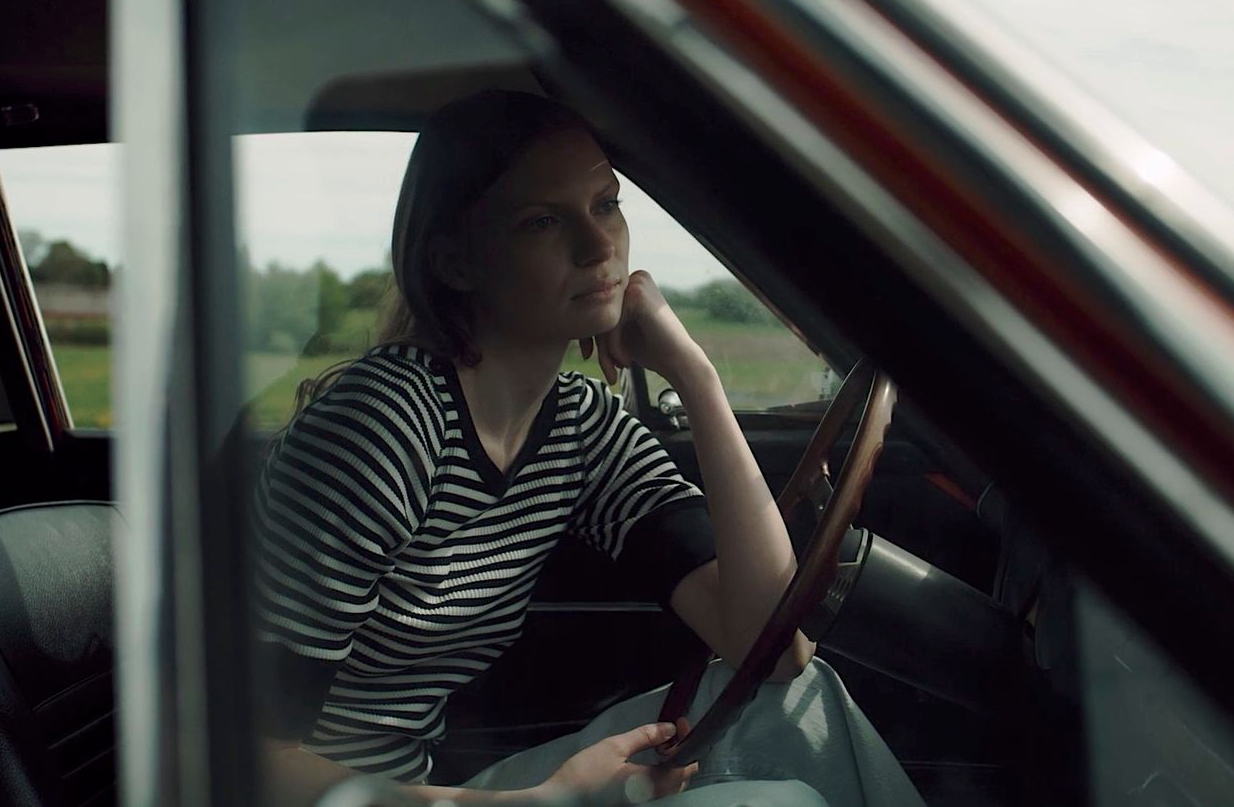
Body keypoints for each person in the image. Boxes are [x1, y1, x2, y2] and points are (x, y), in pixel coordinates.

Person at [252, 90, 922, 806]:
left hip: (433, 790)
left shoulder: (577, 426)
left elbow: (773, 650)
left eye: (606, 203)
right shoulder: (384, 430)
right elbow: (248, 757)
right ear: (455, 261)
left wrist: (695, 375)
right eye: (543, 221)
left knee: (796, 703)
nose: (599, 246)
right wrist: (539, 803)